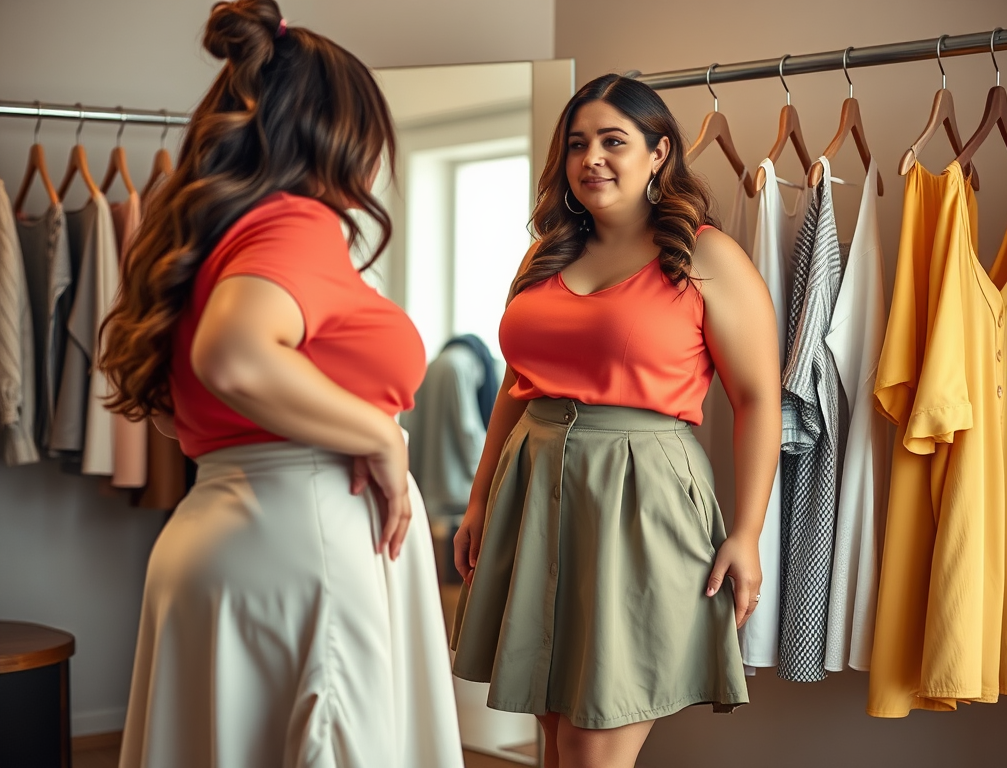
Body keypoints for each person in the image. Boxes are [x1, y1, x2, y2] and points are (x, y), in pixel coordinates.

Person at [98, 2, 463, 766]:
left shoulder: (202, 239)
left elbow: (178, 413)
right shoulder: (296, 224)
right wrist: (378, 435)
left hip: (217, 535)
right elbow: (233, 359)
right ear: (337, 131)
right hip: (308, 541)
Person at [450, 74, 782, 768]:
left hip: (639, 499)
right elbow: (519, 381)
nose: (591, 158)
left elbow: (757, 399)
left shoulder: (707, 255)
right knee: (551, 731)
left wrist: (747, 532)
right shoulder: (547, 255)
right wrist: (481, 494)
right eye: (577, 144)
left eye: (613, 141)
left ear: (659, 153)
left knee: (592, 743)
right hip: (534, 488)